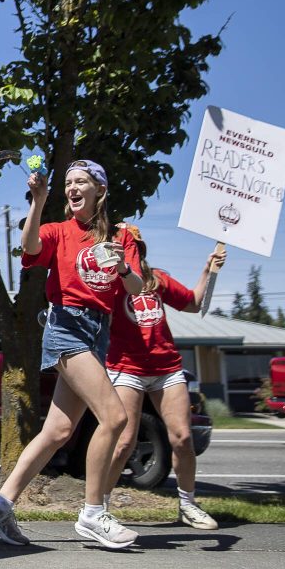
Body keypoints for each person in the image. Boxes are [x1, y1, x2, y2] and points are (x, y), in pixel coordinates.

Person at [0, 159, 145, 549]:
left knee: (59, 430)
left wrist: (121, 265)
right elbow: (29, 247)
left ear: (99, 190)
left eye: (81, 181)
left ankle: (1, 503)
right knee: (115, 417)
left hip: (97, 330)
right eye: (68, 182)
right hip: (67, 326)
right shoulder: (58, 230)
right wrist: (38, 200)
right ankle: (92, 513)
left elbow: (136, 288)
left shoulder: (122, 236)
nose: (73, 187)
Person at [103, 225, 226, 530]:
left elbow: (195, 303)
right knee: (123, 443)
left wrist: (209, 270)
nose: (130, 251)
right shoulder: (109, 282)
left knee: (183, 438)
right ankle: (98, 508)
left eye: (134, 246)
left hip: (166, 368)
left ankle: (188, 504)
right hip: (126, 368)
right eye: (122, 246)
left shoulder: (157, 279)